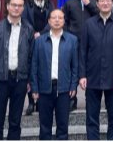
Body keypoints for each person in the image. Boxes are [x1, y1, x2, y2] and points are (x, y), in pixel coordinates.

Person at [79, 0, 113, 140]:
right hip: (92, 75)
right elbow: (82, 50)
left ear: (112, 3)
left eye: (108, 0)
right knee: (91, 116)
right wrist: (82, 75)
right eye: (102, 0)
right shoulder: (89, 24)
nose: (105, 3)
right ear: (97, 3)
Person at [0, 0, 35, 140]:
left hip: (20, 80)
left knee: (15, 120)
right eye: (14, 5)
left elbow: (31, 57)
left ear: (23, 8)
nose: (16, 8)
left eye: (20, 6)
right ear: (7, 6)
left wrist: (29, 81)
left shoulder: (28, 29)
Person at [30, 8, 78, 140]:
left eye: (60, 18)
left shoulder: (72, 40)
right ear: (49, 21)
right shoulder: (39, 41)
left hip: (64, 89)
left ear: (64, 21)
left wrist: (73, 85)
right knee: (44, 126)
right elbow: (34, 66)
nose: (57, 20)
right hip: (44, 88)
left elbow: (75, 66)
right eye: (54, 18)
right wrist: (34, 88)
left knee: (63, 125)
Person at [62, 0, 98, 111]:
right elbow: (64, 21)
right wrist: (67, 36)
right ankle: (72, 98)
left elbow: (100, 16)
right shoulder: (69, 3)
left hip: (91, 42)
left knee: (91, 70)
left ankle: (91, 99)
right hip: (73, 41)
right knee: (73, 69)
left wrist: (89, 4)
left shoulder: (94, 2)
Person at [22, 0, 56, 116]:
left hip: (46, 38)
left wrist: (41, 33)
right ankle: (31, 101)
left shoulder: (50, 4)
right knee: (31, 68)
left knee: (43, 67)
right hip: (30, 39)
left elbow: (52, 20)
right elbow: (24, 20)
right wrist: (33, 33)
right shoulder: (26, 4)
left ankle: (41, 101)